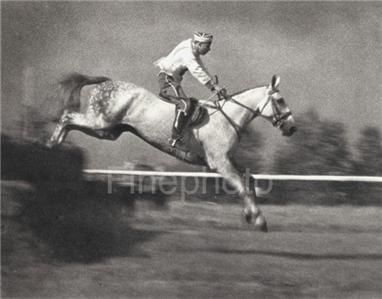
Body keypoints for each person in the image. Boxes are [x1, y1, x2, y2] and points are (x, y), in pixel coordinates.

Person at [154, 32, 226, 149]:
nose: (209, 49)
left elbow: (202, 68)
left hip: (173, 80)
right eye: (207, 45)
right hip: (167, 80)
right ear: (198, 44)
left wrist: (214, 85)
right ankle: (175, 139)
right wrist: (213, 87)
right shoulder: (188, 54)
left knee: (191, 104)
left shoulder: (192, 50)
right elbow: (197, 70)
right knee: (185, 105)